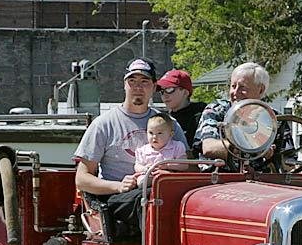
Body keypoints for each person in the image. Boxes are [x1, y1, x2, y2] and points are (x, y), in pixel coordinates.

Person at [74, 58, 187, 235]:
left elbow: (190, 165)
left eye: (144, 82)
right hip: (118, 197)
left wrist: (171, 173)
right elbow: (81, 179)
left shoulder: (169, 124)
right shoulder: (103, 124)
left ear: (154, 86)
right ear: (124, 85)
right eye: (132, 81)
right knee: (149, 199)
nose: (138, 87)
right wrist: (118, 186)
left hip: (162, 189)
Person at [193, 62, 294, 172]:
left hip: (262, 183)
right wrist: (254, 147)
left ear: (260, 90)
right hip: (217, 180)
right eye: (233, 86)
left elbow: (289, 165)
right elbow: (209, 148)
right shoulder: (216, 110)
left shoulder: (275, 119)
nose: (235, 92)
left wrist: (271, 155)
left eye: (242, 87)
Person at [156, 69, 206, 152]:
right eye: (162, 91)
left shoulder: (202, 115)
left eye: (169, 89)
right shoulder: (163, 118)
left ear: (185, 92)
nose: (164, 95)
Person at [133, 113, 188, 187]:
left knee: (174, 179)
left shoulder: (177, 146)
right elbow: (137, 166)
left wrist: (167, 165)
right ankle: (148, 188)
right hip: (150, 174)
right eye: (151, 133)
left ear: (170, 134)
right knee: (141, 180)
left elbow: (184, 165)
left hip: (168, 174)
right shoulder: (143, 150)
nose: (154, 137)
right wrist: (145, 168)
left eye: (159, 133)